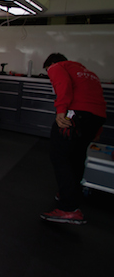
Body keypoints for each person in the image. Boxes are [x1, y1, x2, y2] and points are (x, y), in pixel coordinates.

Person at [40, 53, 106, 224]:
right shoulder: (89, 74)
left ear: (52, 64)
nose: (50, 76)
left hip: (74, 115)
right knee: (77, 157)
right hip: (94, 118)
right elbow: (99, 101)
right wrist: (97, 128)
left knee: (59, 155)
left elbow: (63, 85)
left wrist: (61, 110)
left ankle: (68, 208)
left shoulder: (58, 67)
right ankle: (69, 195)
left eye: (48, 72)